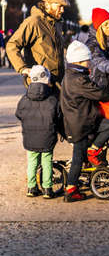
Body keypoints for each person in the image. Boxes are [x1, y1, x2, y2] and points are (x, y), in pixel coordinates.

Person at [60, 40, 109, 202]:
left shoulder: (73, 75)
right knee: (78, 159)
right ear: (79, 61)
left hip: (82, 122)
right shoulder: (78, 80)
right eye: (87, 60)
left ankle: (93, 151)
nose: (90, 62)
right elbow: (99, 94)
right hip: (80, 126)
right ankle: (71, 189)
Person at [6, 0, 70, 88]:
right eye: (60, 6)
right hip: (40, 84)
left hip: (56, 84)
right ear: (47, 4)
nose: (62, 10)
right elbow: (11, 45)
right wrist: (22, 68)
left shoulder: (57, 24)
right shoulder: (34, 22)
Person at [15, 65, 59, 199]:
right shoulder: (52, 99)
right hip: (47, 136)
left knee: (32, 161)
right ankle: (47, 189)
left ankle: (31, 187)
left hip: (30, 137)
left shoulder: (24, 99)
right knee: (47, 161)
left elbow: (18, 114)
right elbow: (58, 115)